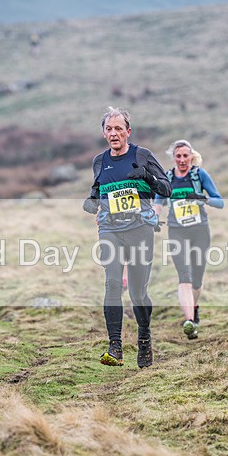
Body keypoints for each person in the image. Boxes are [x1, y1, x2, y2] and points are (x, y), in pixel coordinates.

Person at [82, 107, 171, 368]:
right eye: (109, 129)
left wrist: (147, 177)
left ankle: (144, 338)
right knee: (112, 283)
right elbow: (97, 190)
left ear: (128, 131)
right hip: (110, 229)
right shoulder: (99, 161)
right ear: (104, 133)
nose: (114, 133)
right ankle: (115, 347)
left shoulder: (142, 155)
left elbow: (166, 188)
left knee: (137, 292)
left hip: (139, 229)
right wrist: (91, 201)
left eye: (118, 129)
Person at [153, 140, 223, 340]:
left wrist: (203, 199)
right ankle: (190, 321)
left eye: (186, 156)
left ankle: (195, 306)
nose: (182, 160)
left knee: (197, 279)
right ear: (173, 158)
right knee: (184, 276)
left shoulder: (199, 175)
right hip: (177, 231)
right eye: (178, 156)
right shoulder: (167, 178)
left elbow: (220, 202)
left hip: (200, 231)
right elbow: (158, 202)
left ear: (191, 156)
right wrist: (154, 217)